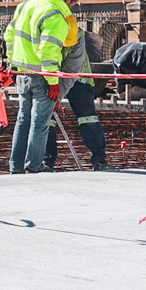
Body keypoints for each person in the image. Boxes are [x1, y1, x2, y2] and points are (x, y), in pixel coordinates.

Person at [4, 0, 82, 173]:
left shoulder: (25, 6)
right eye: (75, 2)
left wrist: (13, 65)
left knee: (23, 120)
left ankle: (16, 166)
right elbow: (48, 53)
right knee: (40, 124)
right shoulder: (56, 17)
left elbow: (9, 36)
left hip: (22, 72)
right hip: (42, 77)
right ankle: (34, 167)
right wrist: (54, 82)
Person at [43, 9, 110, 170]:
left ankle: (99, 159)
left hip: (78, 77)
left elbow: (71, 68)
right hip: (54, 77)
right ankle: (47, 161)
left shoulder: (75, 34)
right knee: (46, 120)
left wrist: (58, 93)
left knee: (88, 118)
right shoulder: (51, 31)